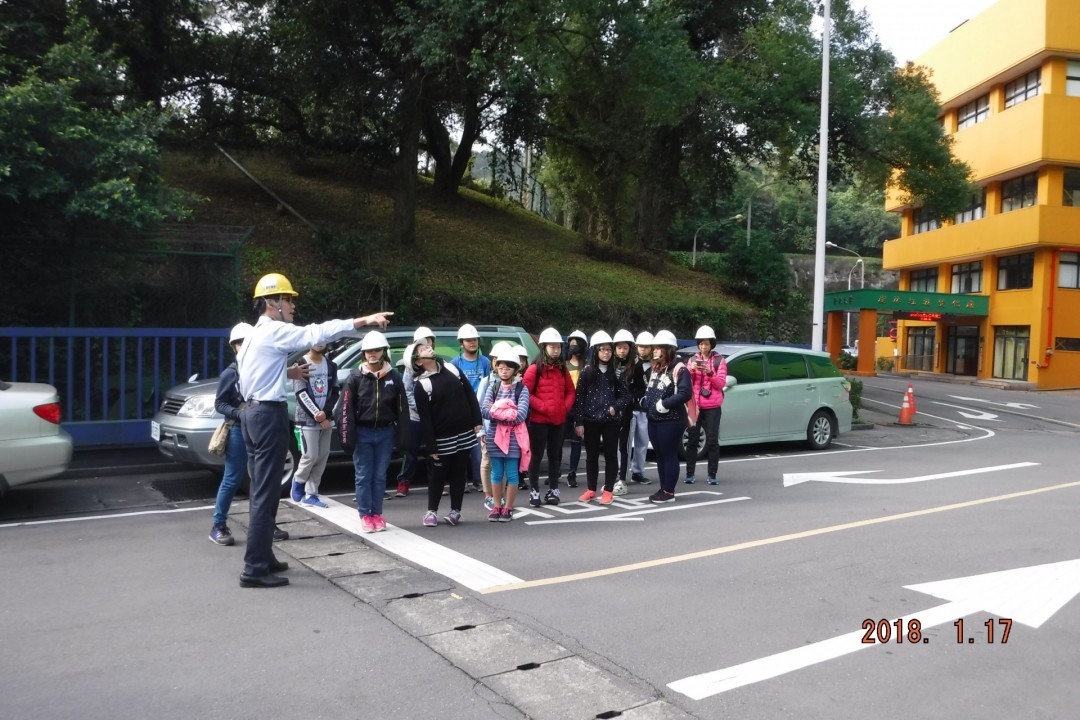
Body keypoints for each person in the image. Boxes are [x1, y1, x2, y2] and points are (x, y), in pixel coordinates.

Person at [236, 272, 391, 588]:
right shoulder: (275, 331)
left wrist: (285, 371)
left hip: (252, 413)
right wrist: (363, 321)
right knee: (266, 493)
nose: (292, 306)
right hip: (267, 415)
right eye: (288, 300)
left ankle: (264, 557)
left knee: (261, 490)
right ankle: (254, 568)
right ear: (272, 302)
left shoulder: (253, 336)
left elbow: (249, 378)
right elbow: (315, 333)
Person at [339, 330, 410, 533]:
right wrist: (347, 437)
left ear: (383, 352)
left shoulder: (394, 377)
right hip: (363, 432)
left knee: (379, 476)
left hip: (386, 432)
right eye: (369, 350)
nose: (373, 354)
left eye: (377, 350)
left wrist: (404, 437)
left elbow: (402, 409)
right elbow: (345, 410)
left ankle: (377, 513)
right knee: (363, 475)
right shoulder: (355, 377)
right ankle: (364, 515)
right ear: (364, 353)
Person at [409, 341, 483, 527]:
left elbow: (469, 394)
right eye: (423, 350)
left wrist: (477, 420)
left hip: (464, 431)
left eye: (428, 347)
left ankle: (455, 511)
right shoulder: (422, 384)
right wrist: (431, 445)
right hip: (442, 436)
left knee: (459, 472)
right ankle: (431, 511)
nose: (429, 349)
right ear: (418, 362)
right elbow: (425, 418)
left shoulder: (451, 368)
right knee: (438, 473)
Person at [209, 322, 254, 546]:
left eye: (247, 342)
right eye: (239, 343)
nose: (243, 346)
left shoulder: (260, 368)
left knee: (262, 479)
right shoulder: (231, 373)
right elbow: (220, 404)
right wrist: (239, 414)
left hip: (259, 429)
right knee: (232, 478)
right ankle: (218, 525)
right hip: (237, 429)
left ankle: (264, 523)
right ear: (234, 346)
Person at [573, 331, 631, 505]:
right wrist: (579, 421)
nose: (606, 353)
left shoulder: (617, 373)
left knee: (611, 455)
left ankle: (608, 490)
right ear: (595, 351)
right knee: (591, 456)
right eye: (603, 350)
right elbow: (579, 397)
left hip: (611, 421)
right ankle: (591, 489)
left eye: (608, 350)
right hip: (590, 420)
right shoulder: (587, 372)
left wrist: (615, 407)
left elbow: (626, 396)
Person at [522, 328, 576, 506]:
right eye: (552, 346)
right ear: (543, 347)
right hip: (539, 421)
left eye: (558, 347)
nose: (555, 350)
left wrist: (564, 407)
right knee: (536, 457)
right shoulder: (533, 369)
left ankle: (553, 490)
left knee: (555, 457)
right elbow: (525, 394)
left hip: (558, 421)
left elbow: (570, 391)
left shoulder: (562, 370)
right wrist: (544, 407)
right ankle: (534, 491)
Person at [641, 329, 691, 503]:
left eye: (657, 348)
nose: (654, 351)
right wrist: (645, 401)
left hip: (671, 420)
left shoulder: (679, 368)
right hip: (654, 419)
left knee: (669, 454)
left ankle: (669, 491)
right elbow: (650, 389)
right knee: (660, 455)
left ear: (668, 349)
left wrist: (664, 404)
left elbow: (685, 393)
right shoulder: (656, 367)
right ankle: (663, 488)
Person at [481, 347, 530, 521]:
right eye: (501, 367)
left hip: (514, 439)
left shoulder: (522, 389)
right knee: (496, 473)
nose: (504, 371)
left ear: (515, 369)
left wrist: (496, 409)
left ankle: (508, 508)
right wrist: (507, 410)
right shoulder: (492, 387)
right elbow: (484, 411)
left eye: (508, 368)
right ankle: (496, 506)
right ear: (496, 368)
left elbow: (520, 415)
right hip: (494, 437)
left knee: (511, 474)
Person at [290, 342, 339, 507]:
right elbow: (301, 393)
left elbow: (335, 392)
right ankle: (298, 480)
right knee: (310, 455)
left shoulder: (331, 366)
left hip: (326, 418)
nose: (320, 343)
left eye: (323, 340)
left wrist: (325, 413)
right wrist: (317, 414)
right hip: (307, 419)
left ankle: (311, 494)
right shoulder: (301, 364)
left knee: (323, 456)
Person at [684, 325, 728, 486]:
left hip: (713, 407)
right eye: (701, 344)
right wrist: (690, 370)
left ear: (712, 344)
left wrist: (709, 372)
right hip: (695, 405)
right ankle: (689, 474)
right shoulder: (692, 360)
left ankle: (712, 474)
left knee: (712, 441)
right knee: (692, 440)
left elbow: (721, 383)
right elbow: (685, 382)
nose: (703, 347)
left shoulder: (719, 361)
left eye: (707, 344)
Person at [395, 326, 435, 497]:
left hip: (434, 417)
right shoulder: (411, 367)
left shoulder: (438, 365)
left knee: (434, 451)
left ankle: (435, 481)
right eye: (423, 342)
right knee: (410, 451)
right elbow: (407, 390)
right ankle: (403, 481)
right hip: (415, 416)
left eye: (430, 341)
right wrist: (420, 408)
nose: (427, 344)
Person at [450, 323, 490, 493]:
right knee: (460, 447)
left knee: (478, 449)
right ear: (461, 343)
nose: (472, 342)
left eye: (474, 339)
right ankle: (462, 481)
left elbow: (490, 384)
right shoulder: (455, 363)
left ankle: (478, 481)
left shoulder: (485, 361)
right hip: (461, 410)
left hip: (480, 410)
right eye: (468, 340)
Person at [611, 328, 636, 495]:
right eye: (619, 347)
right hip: (611, 412)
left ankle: (623, 480)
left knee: (624, 447)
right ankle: (613, 477)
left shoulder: (635, 366)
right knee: (610, 447)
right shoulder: (609, 365)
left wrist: (632, 400)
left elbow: (639, 389)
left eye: (625, 347)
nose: (622, 350)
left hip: (626, 413)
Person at [627, 331, 653, 484]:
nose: (643, 349)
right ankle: (620, 471)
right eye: (640, 346)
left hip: (645, 408)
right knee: (625, 443)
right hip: (630, 408)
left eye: (646, 346)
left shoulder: (656, 364)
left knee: (642, 442)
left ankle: (638, 472)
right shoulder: (630, 362)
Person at [563, 329, 588, 488]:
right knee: (557, 442)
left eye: (577, 344)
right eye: (571, 344)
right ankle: (556, 471)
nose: (574, 347)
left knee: (576, 442)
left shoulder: (587, 366)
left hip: (581, 409)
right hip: (565, 408)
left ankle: (572, 473)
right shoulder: (563, 365)